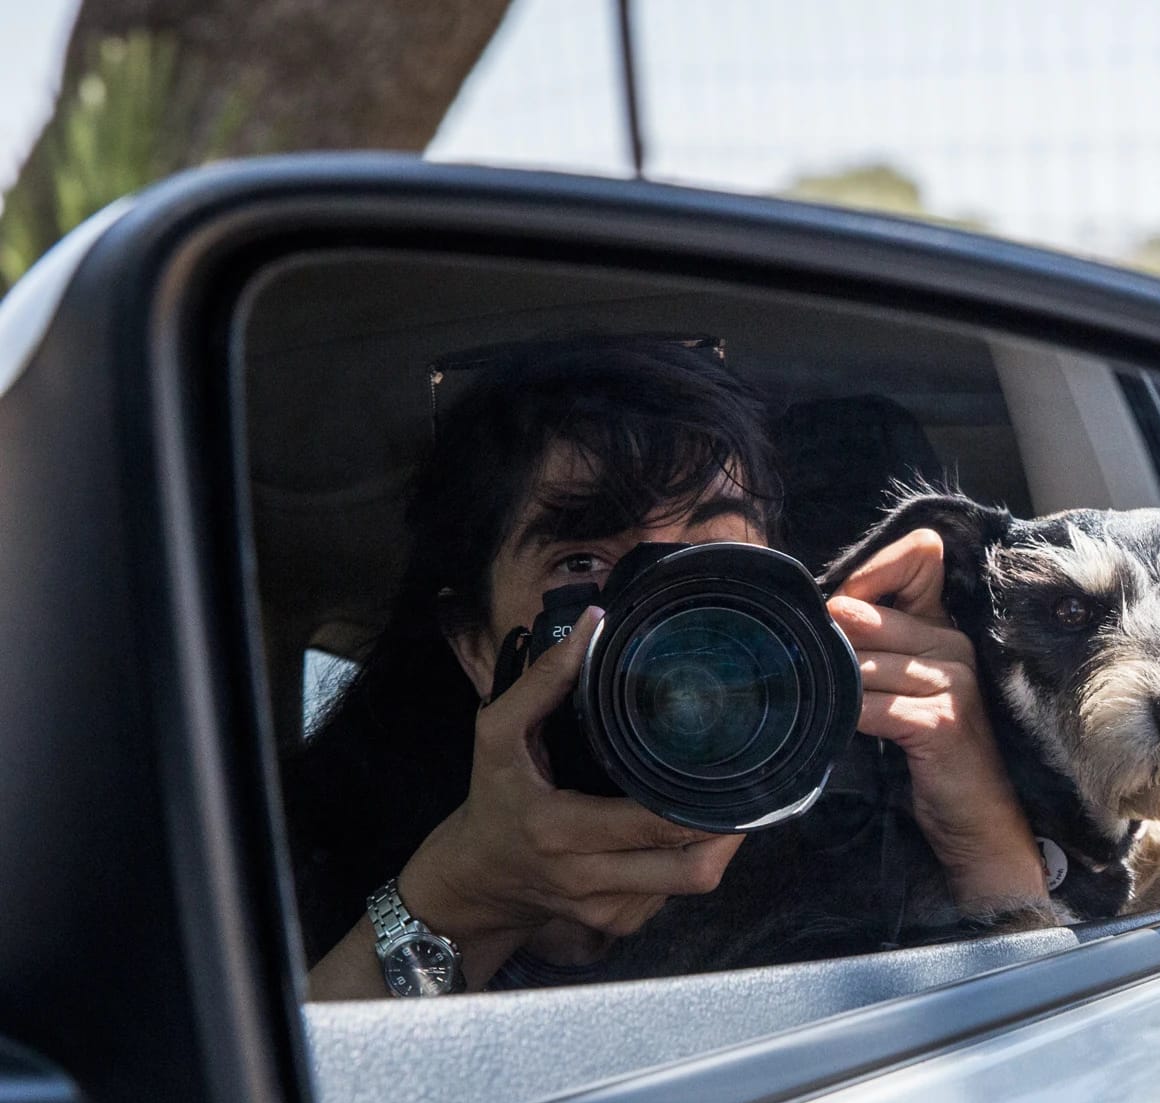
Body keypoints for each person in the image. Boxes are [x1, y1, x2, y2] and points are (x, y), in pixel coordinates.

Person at [295, 335, 1050, 1001]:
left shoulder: (868, 833)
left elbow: (1029, 1092)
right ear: (476, 645)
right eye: (583, 559)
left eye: (711, 554)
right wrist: (463, 892)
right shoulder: (313, 859)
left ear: (788, 601)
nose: (669, 614)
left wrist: (984, 836)